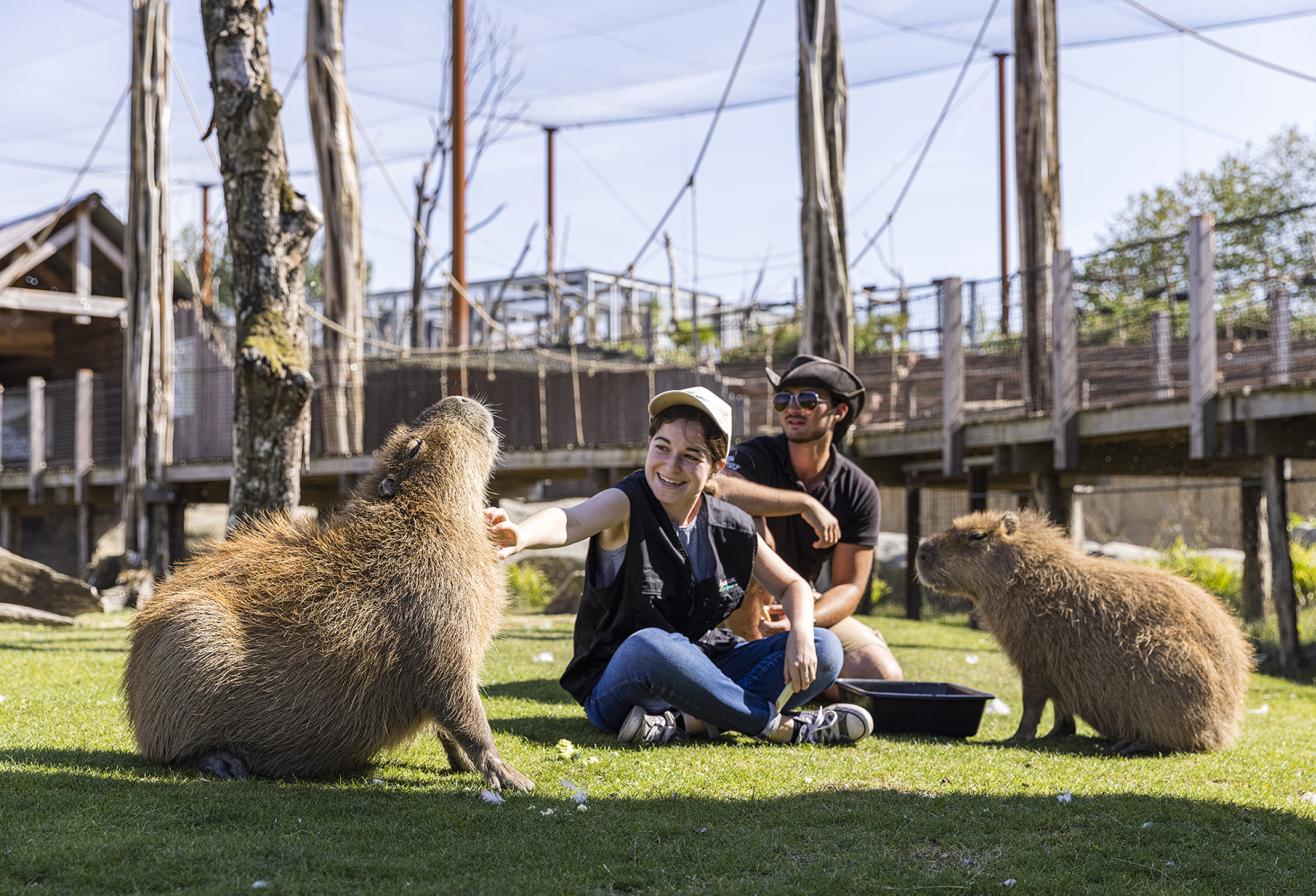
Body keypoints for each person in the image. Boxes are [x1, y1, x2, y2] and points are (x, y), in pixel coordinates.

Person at [486, 386, 873, 746]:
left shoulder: (731, 524)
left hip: (703, 669)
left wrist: (802, 634)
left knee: (826, 648)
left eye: (691, 456)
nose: (671, 466)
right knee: (652, 644)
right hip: (622, 682)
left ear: (717, 467)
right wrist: (521, 535)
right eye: (662, 447)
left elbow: (793, 586)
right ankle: (776, 726)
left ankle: (687, 722)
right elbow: (570, 520)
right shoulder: (627, 503)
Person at [716, 355, 903, 694]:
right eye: (783, 399)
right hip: (730, 597)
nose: (792, 408)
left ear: (839, 411)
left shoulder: (858, 488)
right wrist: (804, 503)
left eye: (807, 399)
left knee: (882, 679)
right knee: (753, 525)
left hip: (801, 605)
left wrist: (802, 622)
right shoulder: (756, 455)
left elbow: (849, 586)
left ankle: (772, 676)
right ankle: (750, 659)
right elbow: (720, 487)